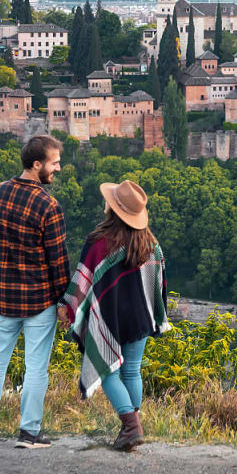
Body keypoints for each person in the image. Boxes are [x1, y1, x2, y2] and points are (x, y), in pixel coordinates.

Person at [0, 135, 71, 449]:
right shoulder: (48, 205)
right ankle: (28, 432)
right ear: (37, 164)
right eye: (54, 163)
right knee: (36, 366)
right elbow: (58, 261)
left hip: (2, 296)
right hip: (38, 300)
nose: (58, 168)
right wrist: (63, 300)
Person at [61, 179, 171, 451]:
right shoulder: (151, 244)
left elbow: (82, 281)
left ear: (111, 209)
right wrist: (156, 314)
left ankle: (131, 425)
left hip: (108, 318)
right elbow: (158, 284)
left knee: (109, 370)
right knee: (132, 370)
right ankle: (133, 426)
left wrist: (69, 309)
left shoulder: (98, 243)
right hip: (140, 317)